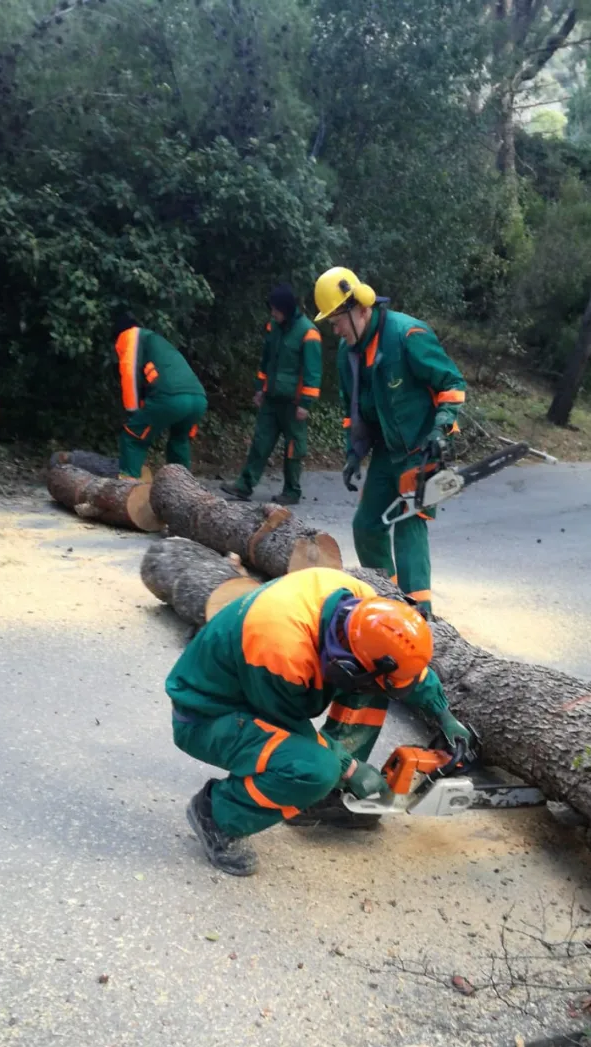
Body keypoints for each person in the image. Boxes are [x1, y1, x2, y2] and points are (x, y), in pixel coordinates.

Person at [167, 567, 471, 876]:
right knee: (314, 769)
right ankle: (218, 815)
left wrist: (442, 714)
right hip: (210, 714)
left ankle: (326, 798)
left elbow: (398, 672)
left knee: (375, 684)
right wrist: (350, 768)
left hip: (263, 686)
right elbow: (285, 725)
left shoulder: (367, 613)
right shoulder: (280, 649)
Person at [313, 268, 466, 616]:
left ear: (361, 308)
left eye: (337, 320)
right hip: (387, 451)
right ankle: (386, 599)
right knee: (366, 525)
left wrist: (441, 430)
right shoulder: (347, 354)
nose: (334, 329)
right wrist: (353, 453)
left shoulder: (407, 335)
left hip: (423, 446)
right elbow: (352, 410)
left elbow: (452, 384)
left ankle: (419, 616)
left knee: (409, 523)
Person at [222, 285, 322, 506]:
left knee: (293, 448)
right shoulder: (273, 327)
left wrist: (305, 403)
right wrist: (260, 387)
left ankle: (292, 491)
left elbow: (313, 373)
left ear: (286, 309)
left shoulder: (309, 333)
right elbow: (266, 361)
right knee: (260, 442)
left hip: (293, 402)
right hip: (271, 398)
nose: (273, 314)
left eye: (276, 310)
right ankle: (244, 485)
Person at [113, 313, 208, 479]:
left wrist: (132, 411)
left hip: (171, 397)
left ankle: (126, 487)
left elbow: (129, 372)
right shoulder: (157, 342)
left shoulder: (129, 336)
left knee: (133, 437)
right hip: (198, 398)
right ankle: (181, 488)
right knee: (179, 440)